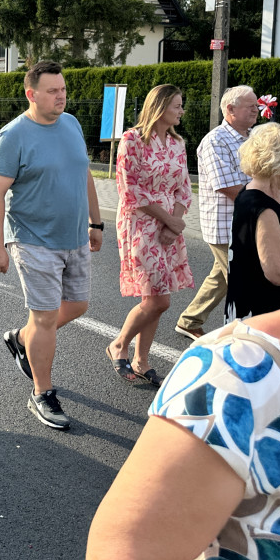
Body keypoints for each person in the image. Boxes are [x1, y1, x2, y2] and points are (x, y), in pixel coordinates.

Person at [87, 128, 280, 560]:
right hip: (253, 304)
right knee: (154, 301)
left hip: (249, 295)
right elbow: (127, 547)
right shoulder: (234, 379)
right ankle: (124, 346)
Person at [0, 61, 104, 430]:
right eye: (53, 91)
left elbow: (83, 172)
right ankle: (42, 393)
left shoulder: (71, 124)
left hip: (74, 236)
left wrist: (96, 222)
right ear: (31, 94)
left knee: (78, 305)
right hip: (32, 239)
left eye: (63, 89)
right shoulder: (12, 137)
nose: (61, 96)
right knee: (46, 317)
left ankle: (23, 339)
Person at [107, 85, 193, 387]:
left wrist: (175, 223)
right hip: (141, 224)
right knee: (159, 300)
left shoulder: (176, 143)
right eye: (177, 106)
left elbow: (184, 187)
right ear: (160, 107)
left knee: (155, 296)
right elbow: (130, 190)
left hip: (169, 226)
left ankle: (142, 361)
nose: (181, 111)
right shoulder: (132, 141)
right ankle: (119, 344)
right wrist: (168, 220)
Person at [174, 85, 259, 341]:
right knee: (244, 280)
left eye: (256, 105)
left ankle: (190, 321)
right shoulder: (215, 141)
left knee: (222, 278)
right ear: (230, 109)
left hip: (247, 220)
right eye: (251, 106)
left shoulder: (253, 137)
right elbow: (227, 186)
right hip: (225, 224)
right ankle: (247, 336)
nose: (257, 110)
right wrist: (264, 201)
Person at [225, 122, 280, 321]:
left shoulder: (260, 195)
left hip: (255, 309)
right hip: (262, 315)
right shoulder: (264, 209)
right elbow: (278, 274)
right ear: (278, 163)